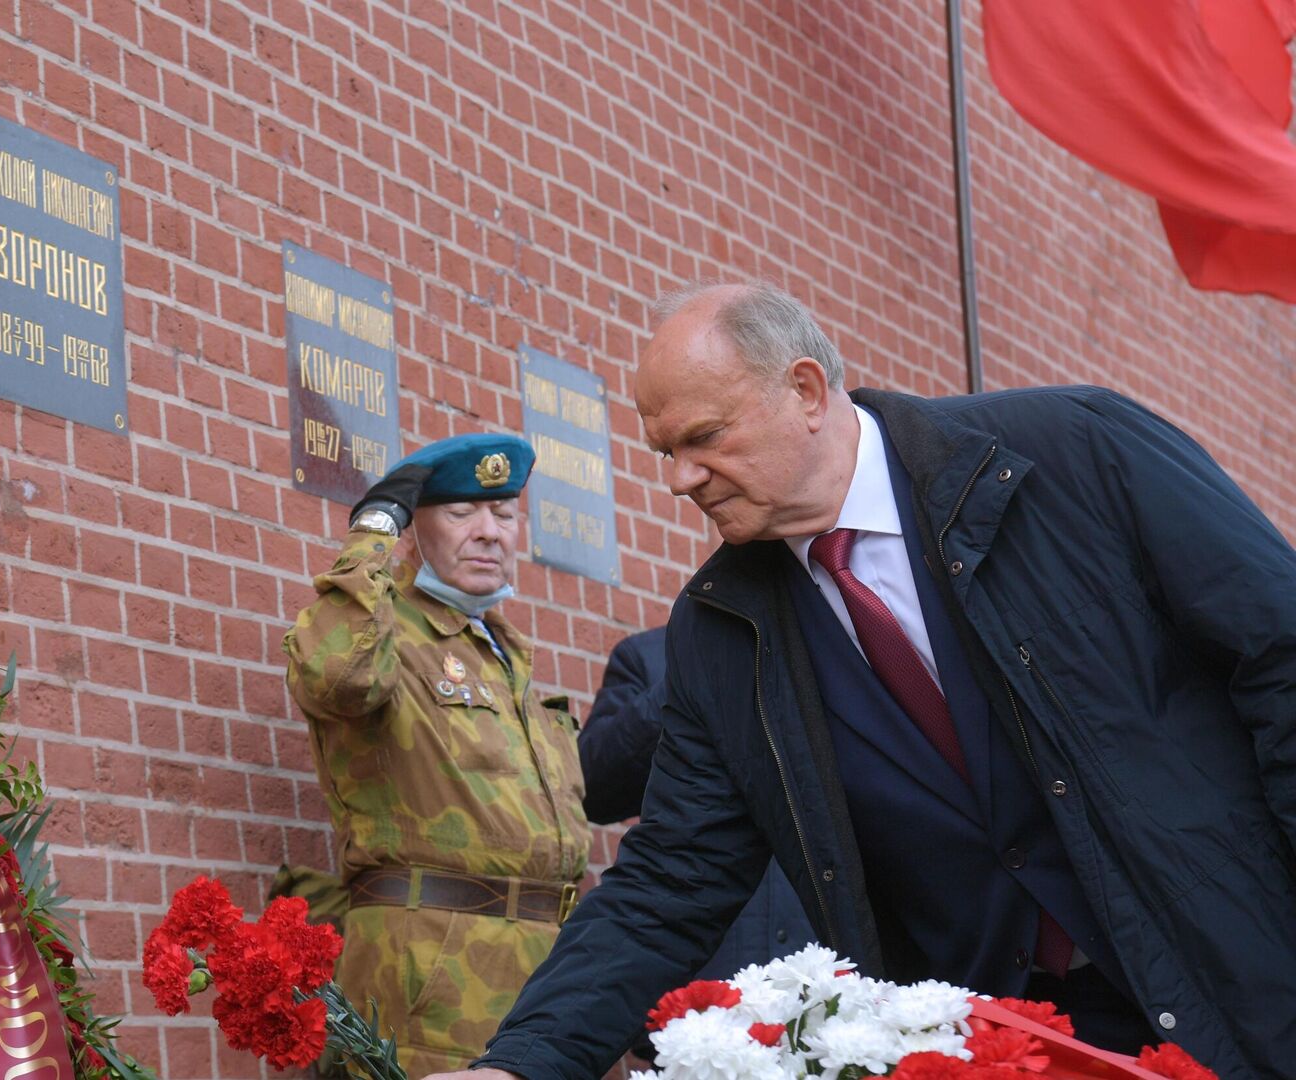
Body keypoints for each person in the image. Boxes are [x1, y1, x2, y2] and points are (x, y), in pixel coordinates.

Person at [428, 281, 1296, 1080]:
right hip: (996, 1045)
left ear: (805, 391)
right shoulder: (722, 630)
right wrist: (522, 1061)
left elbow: (1281, 655)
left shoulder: (1075, 455)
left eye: (704, 438)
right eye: (666, 450)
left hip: (1241, 988)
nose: (681, 479)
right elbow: (672, 879)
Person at [284, 433, 590, 1077]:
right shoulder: (383, 628)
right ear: (414, 529)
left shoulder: (505, 650)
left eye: (503, 515)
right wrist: (371, 535)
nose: (489, 533)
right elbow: (337, 678)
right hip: (430, 970)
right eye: (461, 514)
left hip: (544, 972)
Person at [579, 625, 812, 981]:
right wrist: (688, 679)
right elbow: (594, 788)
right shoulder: (647, 655)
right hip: (697, 966)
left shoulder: (838, 647)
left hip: (824, 972)